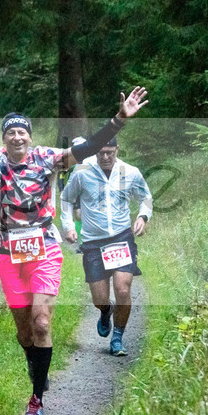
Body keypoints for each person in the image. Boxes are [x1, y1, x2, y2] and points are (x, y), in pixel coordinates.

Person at [0, 70, 148, 415]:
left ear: (30, 137)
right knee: (25, 332)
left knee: (41, 321)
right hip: (9, 252)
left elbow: (85, 148)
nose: (17, 136)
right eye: (11, 131)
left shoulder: (48, 158)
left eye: (22, 131)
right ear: (3, 137)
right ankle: (37, 366)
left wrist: (118, 120)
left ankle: (36, 399)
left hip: (44, 249)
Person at [60, 138, 152, 356]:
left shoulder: (130, 172)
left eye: (110, 152)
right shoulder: (82, 171)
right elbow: (66, 198)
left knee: (122, 289)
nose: (105, 157)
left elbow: (146, 197)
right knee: (99, 299)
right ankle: (106, 310)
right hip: (93, 242)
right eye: (101, 152)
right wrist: (68, 226)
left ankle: (118, 337)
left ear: (117, 150)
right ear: (95, 152)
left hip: (121, 238)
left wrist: (143, 216)